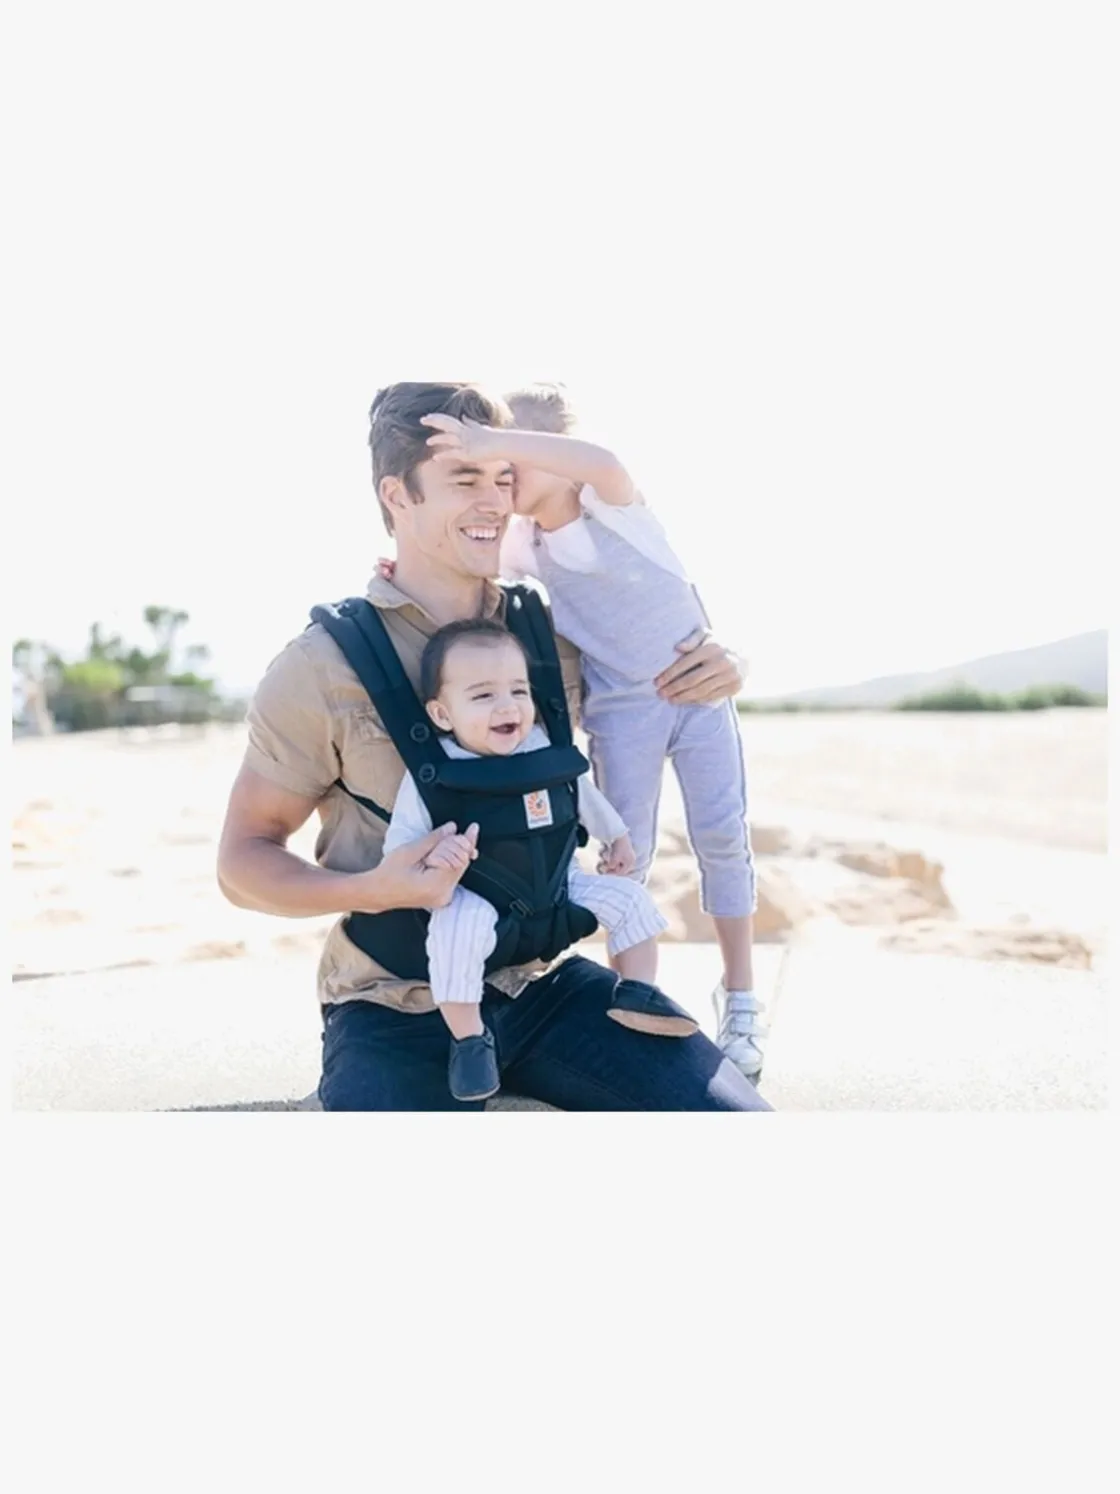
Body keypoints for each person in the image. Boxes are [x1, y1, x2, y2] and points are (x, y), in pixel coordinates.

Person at [216, 380, 771, 1112]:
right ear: (397, 495)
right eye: (464, 478)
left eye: (503, 477)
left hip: (544, 986)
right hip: (393, 1003)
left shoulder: (549, 633)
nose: (494, 502)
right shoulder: (322, 665)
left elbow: (648, 638)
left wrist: (728, 660)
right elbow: (242, 864)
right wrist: (372, 888)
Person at [415, 383, 767, 1081]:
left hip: (698, 697)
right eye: (496, 460)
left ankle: (741, 997)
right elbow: (461, 560)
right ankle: (634, 999)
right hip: (622, 713)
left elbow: (599, 459)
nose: (503, 471)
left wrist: (489, 439)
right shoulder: (523, 546)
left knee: (723, 836)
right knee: (626, 852)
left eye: (517, 453)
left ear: (558, 451)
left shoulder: (616, 507)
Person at [379, 615, 694, 1101]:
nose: (508, 706)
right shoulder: (434, 774)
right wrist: (435, 854)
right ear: (442, 714)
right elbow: (398, 849)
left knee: (631, 901)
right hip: (475, 893)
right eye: (483, 696)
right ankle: (469, 1038)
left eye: (518, 691)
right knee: (455, 934)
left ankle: (638, 993)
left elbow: (581, 794)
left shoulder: (543, 749)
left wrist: (616, 837)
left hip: (558, 886)